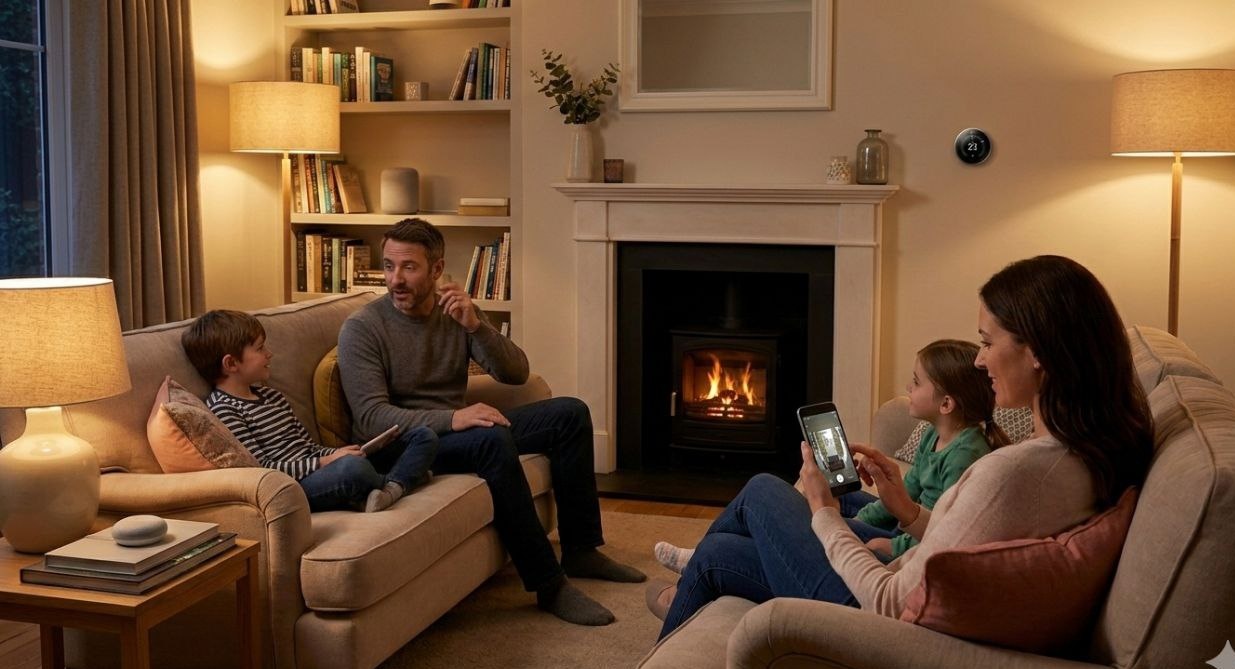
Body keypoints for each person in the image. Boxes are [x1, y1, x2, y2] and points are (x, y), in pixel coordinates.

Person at [647, 255, 1154, 639]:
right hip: (896, 585)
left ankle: (685, 600)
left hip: (870, 617)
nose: (979, 362)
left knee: (762, 490)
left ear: (1038, 352)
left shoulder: (1020, 473)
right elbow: (956, 545)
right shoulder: (1086, 450)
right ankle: (689, 602)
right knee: (718, 553)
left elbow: (889, 601)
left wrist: (823, 512)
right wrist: (904, 508)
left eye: (986, 342)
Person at [336, 218, 646, 627]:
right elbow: (373, 417)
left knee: (569, 413)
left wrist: (476, 326)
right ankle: (548, 584)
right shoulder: (363, 328)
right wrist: (454, 417)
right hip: (404, 445)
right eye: (390, 266)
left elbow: (516, 373)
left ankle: (581, 549)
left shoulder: (455, 311)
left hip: (458, 431)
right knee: (491, 439)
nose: (396, 279)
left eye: (409, 267)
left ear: (436, 268)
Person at [653, 338, 1009, 572]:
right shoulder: (935, 434)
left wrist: (892, 544)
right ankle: (706, 554)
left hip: (908, 542)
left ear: (946, 403)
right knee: (830, 487)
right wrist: (863, 512)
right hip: (902, 522)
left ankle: (705, 557)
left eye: (916, 383)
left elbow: (946, 531)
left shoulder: (966, 454)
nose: (907, 388)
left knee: (785, 506)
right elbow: (906, 494)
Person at [183, 309, 437, 513]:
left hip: (322, 467)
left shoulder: (272, 396)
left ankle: (388, 487)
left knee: (422, 435)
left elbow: (308, 446)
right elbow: (263, 470)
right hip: (297, 485)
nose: (268, 354)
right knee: (352, 470)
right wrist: (328, 462)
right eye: (260, 349)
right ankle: (403, 479)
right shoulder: (225, 410)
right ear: (231, 363)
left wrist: (336, 452)